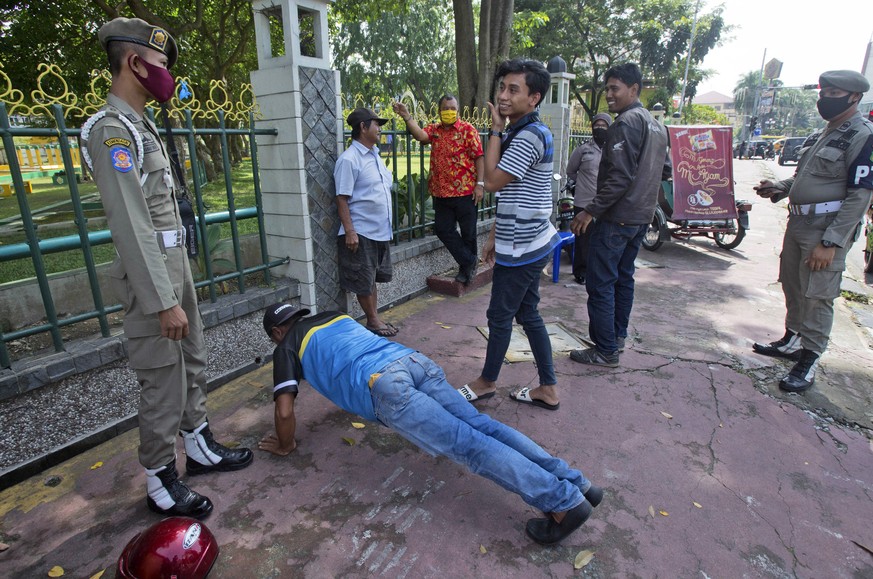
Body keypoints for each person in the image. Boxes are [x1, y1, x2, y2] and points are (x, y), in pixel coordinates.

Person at [81, 17, 253, 519]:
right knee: (162, 379)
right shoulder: (110, 131)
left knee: (192, 361)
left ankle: (198, 446)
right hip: (152, 275)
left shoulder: (142, 124)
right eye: (159, 64)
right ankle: (160, 477)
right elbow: (132, 226)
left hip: (175, 263)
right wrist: (163, 300)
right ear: (134, 63)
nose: (166, 75)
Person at [258, 302, 603, 545]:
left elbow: (285, 411)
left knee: (469, 446)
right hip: (411, 360)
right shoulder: (333, 316)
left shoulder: (286, 346)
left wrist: (286, 444)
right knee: (484, 428)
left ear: (277, 331)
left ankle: (563, 503)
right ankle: (577, 483)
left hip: (387, 386)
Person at [752, 70, 873, 393]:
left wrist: (832, 241)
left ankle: (810, 357)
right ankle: (792, 338)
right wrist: (779, 187)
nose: (824, 99)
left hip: (825, 228)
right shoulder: (827, 132)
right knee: (792, 283)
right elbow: (805, 178)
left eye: (833, 94)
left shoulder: (861, 134)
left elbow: (860, 194)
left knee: (818, 294)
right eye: (824, 92)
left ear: (854, 97)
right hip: (799, 223)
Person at [457, 58, 562, 410]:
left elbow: (491, 181)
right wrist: (493, 237)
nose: (503, 95)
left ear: (534, 97)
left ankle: (487, 382)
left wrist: (495, 130)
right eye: (502, 88)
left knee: (499, 316)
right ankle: (548, 387)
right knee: (528, 314)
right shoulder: (523, 129)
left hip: (525, 248)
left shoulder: (529, 134)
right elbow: (513, 195)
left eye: (512, 90)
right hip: (525, 240)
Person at [569, 63, 669, 368]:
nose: (609, 95)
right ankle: (616, 337)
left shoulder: (625, 124)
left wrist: (590, 210)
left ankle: (605, 349)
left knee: (600, 283)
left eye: (615, 89)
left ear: (634, 89)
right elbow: (664, 171)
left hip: (618, 218)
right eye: (607, 89)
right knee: (624, 279)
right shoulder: (657, 125)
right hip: (641, 217)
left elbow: (620, 177)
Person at [393, 96, 485, 284]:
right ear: (439, 110)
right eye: (445, 108)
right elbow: (420, 135)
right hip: (441, 193)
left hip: (466, 192)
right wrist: (406, 116)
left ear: (458, 110)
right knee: (443, 230)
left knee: (468, 234)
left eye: (452, 108)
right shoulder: (434, 130)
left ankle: (465, 271)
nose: (449, 111)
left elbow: (479, 157)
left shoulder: (468, 130)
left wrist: (480, 184)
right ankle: (469, 261)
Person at [334, 108, 398, 337]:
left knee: (371, 279)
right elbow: (342, 198)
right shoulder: (349, 160)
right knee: (363, 280)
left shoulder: (374, 155)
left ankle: (375, 318)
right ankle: (372, 321)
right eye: (376, 124)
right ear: (363, 127)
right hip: (361, 232)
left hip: (379, 231)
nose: (380, 128)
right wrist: (350, 231)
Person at [565, 112, 612, 285]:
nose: (599, 129)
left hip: (604, 204)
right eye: (596, 126)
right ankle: (581, 272)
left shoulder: (613, 149)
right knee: (583, 239)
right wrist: (582, 183)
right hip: (584, 202)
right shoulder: (583, 149)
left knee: (602, 240)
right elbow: (570, 170)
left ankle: (597, 271)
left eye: (603, 126)